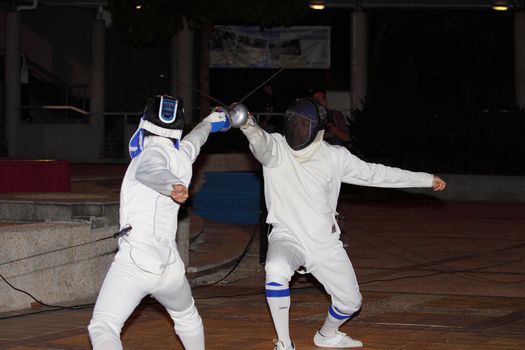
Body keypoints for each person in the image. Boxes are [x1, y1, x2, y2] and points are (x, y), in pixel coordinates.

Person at [238, 98, 446, 349]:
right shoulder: (277, 147)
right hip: (287, 235)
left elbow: (375, 174)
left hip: (324, 242)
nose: (297, 130)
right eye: (294, 123)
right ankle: (284, 344)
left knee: (350, 303)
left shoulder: (335, 157)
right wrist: (248, 124)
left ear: (317, 129)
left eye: (303, 125)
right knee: (276, 268)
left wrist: (424, 179)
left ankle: (326, 335)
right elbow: (259, 141)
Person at [87, 94, 230, 350]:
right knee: (187, 316)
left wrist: (171, 185)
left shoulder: (150, 154)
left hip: (136, 263)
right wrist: (211, 121)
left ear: (145, 123)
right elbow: (195, 140)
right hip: (169, 267)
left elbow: (150, 170)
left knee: (103, 325)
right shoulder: (183, 156)